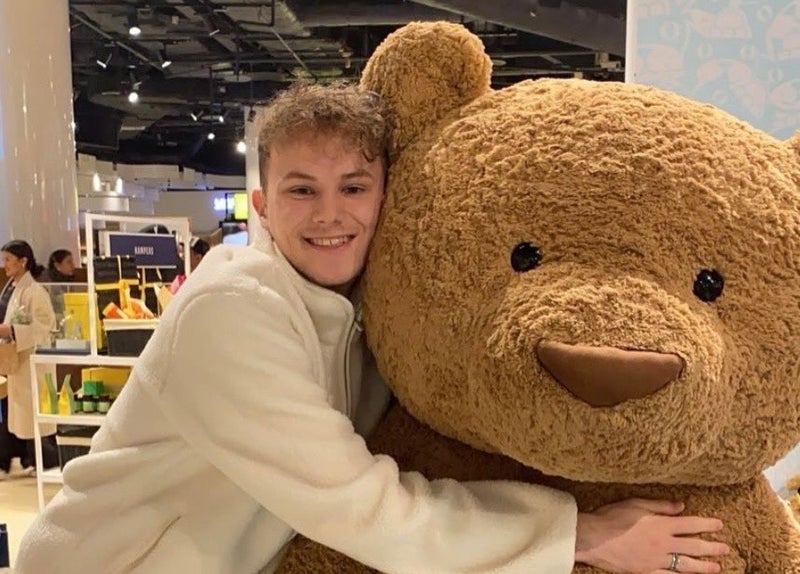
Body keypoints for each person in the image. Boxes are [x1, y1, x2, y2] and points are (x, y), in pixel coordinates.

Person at [16, 83, 729, 574]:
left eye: (353, 187)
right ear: (262, 206)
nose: (331, 215)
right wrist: (583, 533)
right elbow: (361, 506)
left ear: (386, 193)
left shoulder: (368, 310)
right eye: (302, 190)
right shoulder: (232, 310)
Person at [0, 240, 59, 479]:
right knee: (18, 413)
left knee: (33, 412)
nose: (5, 264)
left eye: (8, 260)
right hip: (16, 359)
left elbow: (46, 327)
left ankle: (44, 460)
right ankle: (23, 459)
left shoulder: (36, 291)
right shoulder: (13, 288)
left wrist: (11, 330)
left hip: (32, 361)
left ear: (23, 261)